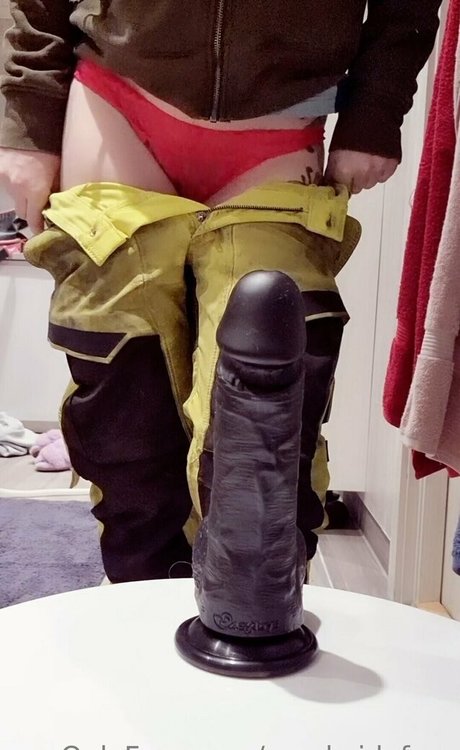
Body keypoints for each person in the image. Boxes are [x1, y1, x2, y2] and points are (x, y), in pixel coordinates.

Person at [0, 1, 442, 583]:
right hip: (116, 102)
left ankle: (256, 604)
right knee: (125, 394)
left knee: (264, 411)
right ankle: (141, 589)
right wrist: (28, 119)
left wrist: (375, 113)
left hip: (283, 120)